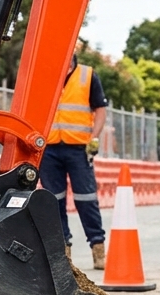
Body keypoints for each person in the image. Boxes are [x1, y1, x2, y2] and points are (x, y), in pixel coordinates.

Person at [40, 56, 110, 268]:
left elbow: (100, 109)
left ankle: (98, 249)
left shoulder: (87, 76)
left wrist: (94, 137)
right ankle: (63, 252)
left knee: (86, 198)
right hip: (49, 147)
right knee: (54, 202)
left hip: (79, 147)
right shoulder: (45, 75)